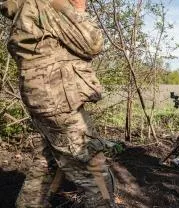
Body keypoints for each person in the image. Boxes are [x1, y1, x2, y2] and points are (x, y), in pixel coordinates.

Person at [0, 0, 117, 207]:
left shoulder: (27, 5)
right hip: (58, 99)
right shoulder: (52, 3)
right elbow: (93, 43)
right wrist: (79, 9)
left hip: (42, 96)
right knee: (95, 171)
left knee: (48, 162)